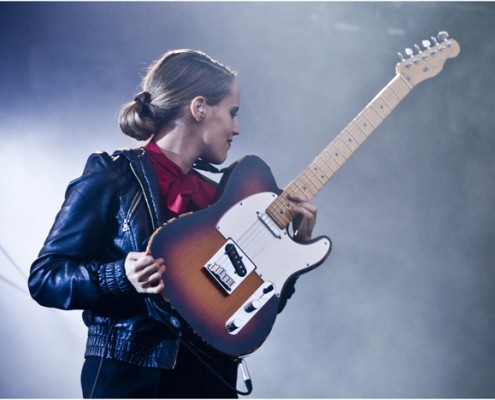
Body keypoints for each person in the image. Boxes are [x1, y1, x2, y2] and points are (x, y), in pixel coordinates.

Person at [28, 49, 318, 398]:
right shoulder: (113, 175)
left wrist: (290, 253)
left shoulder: (222, 198)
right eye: (232, 112)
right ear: (199, 108)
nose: (237, 128)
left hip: (212, 379)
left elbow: (252, 309)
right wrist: (122, 275)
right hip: (132, 380)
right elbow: (45, 278)